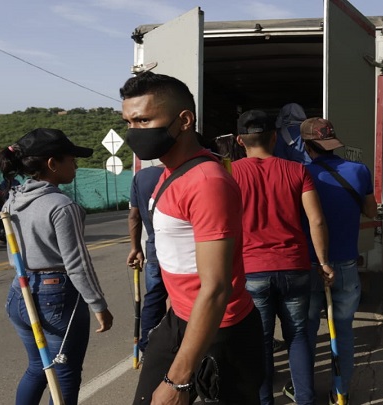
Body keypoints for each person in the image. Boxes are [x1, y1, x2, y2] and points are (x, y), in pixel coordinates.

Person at [121, 71, 264, 405]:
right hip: (180, 318)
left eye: (143, 120)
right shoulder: (168, 172)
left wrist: (178, 379)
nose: (134, 132)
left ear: (184, 120)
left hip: (223, 331)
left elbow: (216, 287)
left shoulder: (206, 182)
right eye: (128, 121)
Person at [0, 128, 114, 405]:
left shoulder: (13, 198)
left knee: (38, 367)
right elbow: (77, 263)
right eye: (71, 159)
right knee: (65, 374)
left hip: (19, 293)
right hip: (56, 298)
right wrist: (99, 305)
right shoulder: (61, 205)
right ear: (52, 163)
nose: (76, 165)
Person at [230, 110, 334, 405]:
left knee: (260, 342)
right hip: (295, 266)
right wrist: (324, 262)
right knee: (298, 336)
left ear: (240, 140)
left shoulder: (229, 173)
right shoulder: (297, 171)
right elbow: (316, 221)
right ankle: (305, 399)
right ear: (274, 137)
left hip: (252, 270)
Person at [299, 117, 378, 404]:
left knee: (305, 332)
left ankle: (302, 389)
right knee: (343, 330)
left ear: (306, 145)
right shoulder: (358, 171)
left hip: (309, 264)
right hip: (344, 264)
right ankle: (341, 391)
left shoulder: (300, 173)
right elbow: (370, 211)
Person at [126, 164, 169, 352]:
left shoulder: (141, 176)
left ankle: (148, 347)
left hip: (154, 249)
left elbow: (134, 216)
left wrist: (136, 248)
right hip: (180, 251)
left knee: (154, 298)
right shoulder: (180, 172)